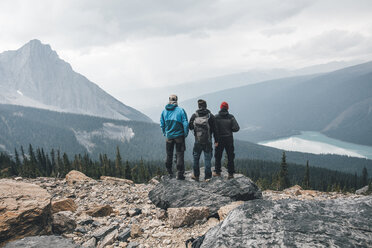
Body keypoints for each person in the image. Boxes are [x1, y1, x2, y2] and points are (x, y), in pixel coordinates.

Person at [160, 94, 189, 180]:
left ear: (169, 100)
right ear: (176, 100)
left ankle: (169, 172)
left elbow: (162, 124)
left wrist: (165, 133)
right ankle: (180, 174)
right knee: (180, 154)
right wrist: (185, 133)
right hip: (179, 136)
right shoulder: (180, 110)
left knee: (169, 154)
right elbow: (185, 123)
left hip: (169, 136)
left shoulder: (164, 111)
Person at [189, 99, 217, 181]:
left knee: (196, 157)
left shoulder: (194, 115)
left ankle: (196, 175)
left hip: (197, 140)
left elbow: (190, 126)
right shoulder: (210, 116)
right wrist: (216, 140)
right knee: (207, 158)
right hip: (208, 140)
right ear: (206, 106)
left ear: (198, 106)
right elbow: (215, 129)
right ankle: (207, 177)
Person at [214, 101, 240, 179]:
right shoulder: (231, 117)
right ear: (227, 108)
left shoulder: (216, 117)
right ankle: (231, 174)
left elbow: (214, 129)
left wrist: (216, 140)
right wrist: (230, 129)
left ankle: (217, 172)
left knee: (218, 156)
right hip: (229, 139)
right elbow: (236, 128)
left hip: (219, 139)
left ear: (220, 107)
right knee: (230, 156)